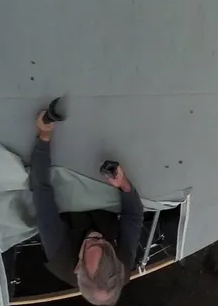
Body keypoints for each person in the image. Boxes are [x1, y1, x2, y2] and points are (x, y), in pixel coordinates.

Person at [30, 110, 143, 305]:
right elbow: (133, 216)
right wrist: (123, 184)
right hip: (102, 205)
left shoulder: (59, 254)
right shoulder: (122, 264)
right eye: (103, 244)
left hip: (69, 207)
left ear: (78, 267)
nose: (96, 237)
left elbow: (42, 193)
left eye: (91, 245)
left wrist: (44, 135)